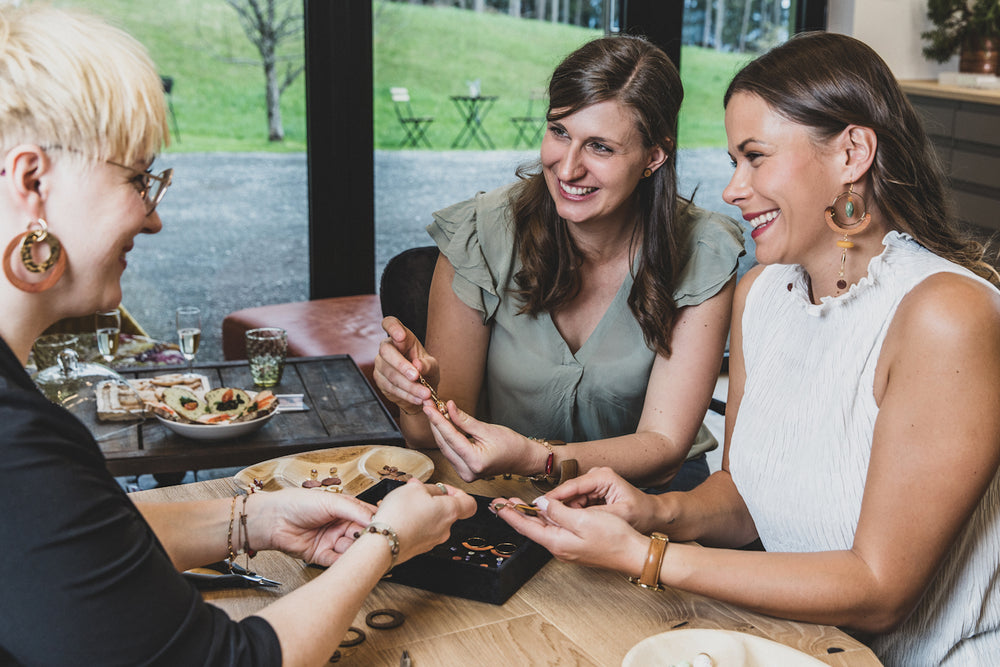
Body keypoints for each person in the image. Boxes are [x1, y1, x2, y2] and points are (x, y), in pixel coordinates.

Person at [488, 32, 1000, 667]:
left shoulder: (946, 314)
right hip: (797, 641)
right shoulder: (762, 294)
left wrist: (645, 555)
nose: (733, 188)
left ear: (852, 152)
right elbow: (746, 495)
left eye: (755, 157)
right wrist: (654, 509)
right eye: (735, 160)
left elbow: (879, 590)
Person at [0, 6, 475, 666]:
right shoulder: (16, 444)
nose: (155, 216)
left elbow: (65, 545)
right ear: (31, 181)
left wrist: (257, 520)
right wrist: (387, 542)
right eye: (139, 177)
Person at [375, 35, 744, 492]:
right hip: (503, 489)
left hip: (644, 497)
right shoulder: (481, 233)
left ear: (654, 156)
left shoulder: (704, 249)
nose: (567, 168)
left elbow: (664, 447)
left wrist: (541, 459)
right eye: (559, 132)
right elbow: (435, 436)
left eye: (601, 148)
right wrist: (416, 401)